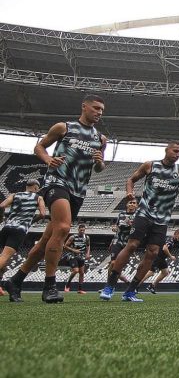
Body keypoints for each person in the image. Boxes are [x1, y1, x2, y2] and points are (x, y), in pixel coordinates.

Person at [5, 94, 107, 303]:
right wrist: (48, 159)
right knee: (62, 228)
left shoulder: (101, 139)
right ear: (84, 107)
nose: (99, 112)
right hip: (56, 182)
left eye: (102, 110)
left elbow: (99, 167)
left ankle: (15, 280)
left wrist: (99, 162)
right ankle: (50, 286)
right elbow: (39, 147)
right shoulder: (64, 128)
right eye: (96, 108)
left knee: (44, 243)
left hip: (78, 190)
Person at [100, 142, 179, 302]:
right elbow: (131, 180)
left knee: (153, 252)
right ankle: (110, 285)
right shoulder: (150, 165)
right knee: (132, 245)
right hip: (144, 213)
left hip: (162, 219)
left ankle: (130, 291)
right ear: (166, 150)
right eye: (175, 151)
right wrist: (129, 193)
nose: (177, 154)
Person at [0, 180, 46, 296]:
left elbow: (2, 206)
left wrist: (1, 219)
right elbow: (42, 214)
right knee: (4, 258)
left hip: (6, 228)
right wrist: (31, 221)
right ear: (36, 187)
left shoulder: (15, 195)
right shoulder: (38, 197)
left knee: (4, 260)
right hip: (19, 229)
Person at [106, 198, 139, 286]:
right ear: (127, 204)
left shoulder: (138, 216)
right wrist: (114, 228)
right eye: (130, 202)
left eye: (134, 203)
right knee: (113, 263)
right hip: (118, 240)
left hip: (128, 243)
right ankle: (108, 286)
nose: (132, 204)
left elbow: (139, 230)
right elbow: (117, 227)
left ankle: (126, 282)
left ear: (136, 205)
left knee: (118, 266)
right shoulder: (121, 214)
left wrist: (132, 226)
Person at [141, 229, 179, 294]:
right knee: (151, 273)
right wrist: (171, 256)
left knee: (165, 272)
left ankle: (152, 286)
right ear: (176, 234)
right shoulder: (170, 240)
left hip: (162, 258)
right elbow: (164, 248)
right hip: (157, 257)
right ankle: (135, 286)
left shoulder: (172, 240)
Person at [61, 224, 91, 294]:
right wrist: (74, 250)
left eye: (83, 230)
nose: (82, 231)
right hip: (73, 256)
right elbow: (65, 246)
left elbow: (88, 246)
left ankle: (80, 289)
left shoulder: (87, 237)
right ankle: (67, 285)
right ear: (78, 230)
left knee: (82, 273)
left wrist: (87, 254)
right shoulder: (73, 237)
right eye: (81, 230)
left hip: (81, 256)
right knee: (75, 271)